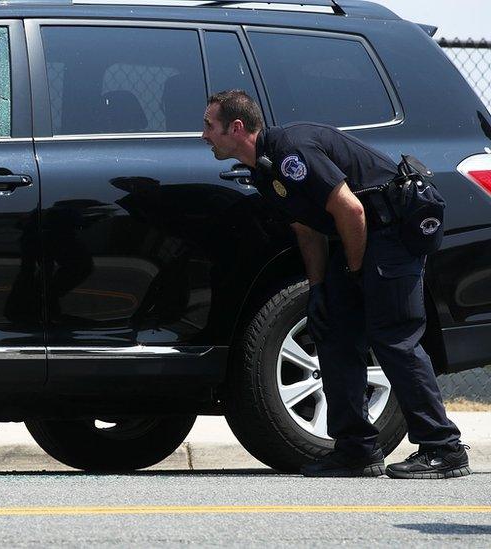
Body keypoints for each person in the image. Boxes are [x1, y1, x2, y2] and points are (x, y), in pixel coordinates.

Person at [201, 89, 470, 479]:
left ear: (236, 127)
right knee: (334, 329)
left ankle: (443, 447)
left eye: (210, 126)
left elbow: (351, 208)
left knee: (393, 337)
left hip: (391, 233)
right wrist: (319, 288)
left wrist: (357, 272)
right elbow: (307, 228)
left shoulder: (292, 151)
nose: (204, 135)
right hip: (359, 239)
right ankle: (356, 450)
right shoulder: (265, 168)